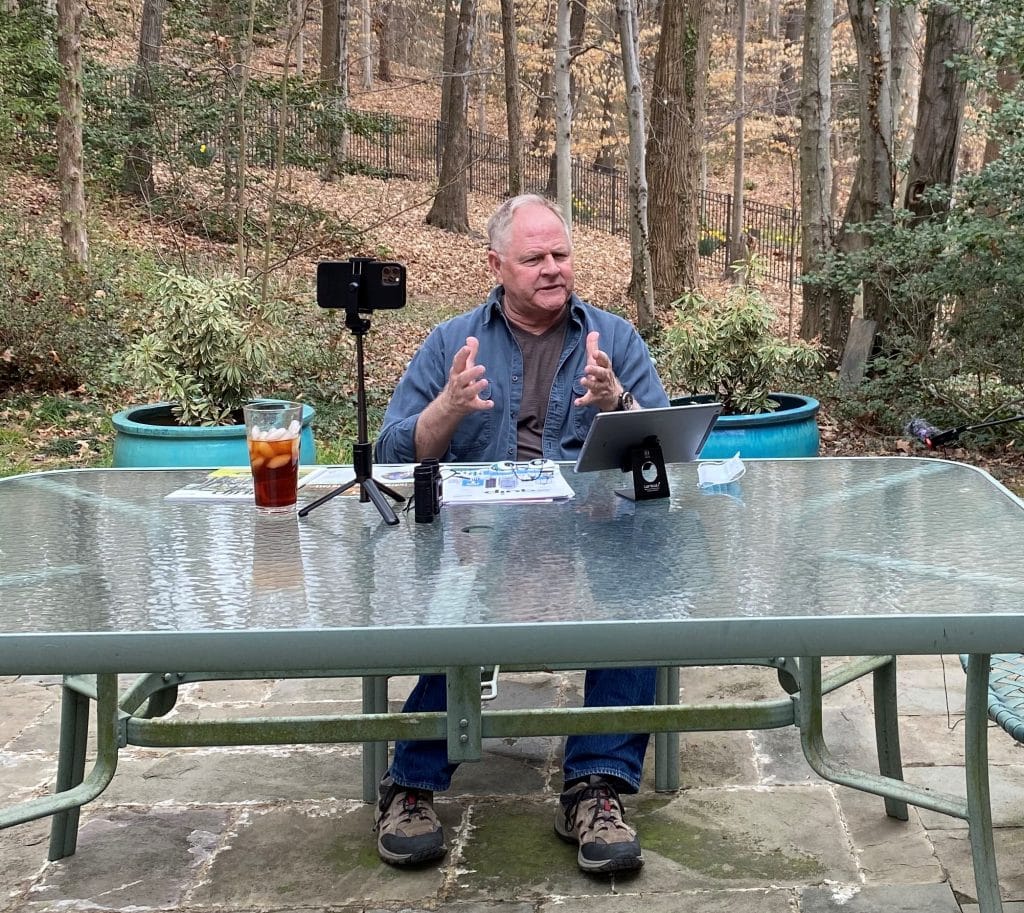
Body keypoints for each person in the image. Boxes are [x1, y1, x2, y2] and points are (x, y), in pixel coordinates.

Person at [374, 193, 669, 875]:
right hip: (478, 535)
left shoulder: (614, 338)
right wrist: (445, 410)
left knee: (641, 587)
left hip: (588, 529)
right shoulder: (452, 341)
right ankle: (411, 784)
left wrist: (619, 403)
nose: (552, 268)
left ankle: (595, 786)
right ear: (496, 264)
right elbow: (393, 453)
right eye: (534, 257)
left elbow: (667, 455)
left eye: (561, 254)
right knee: (456, 596)